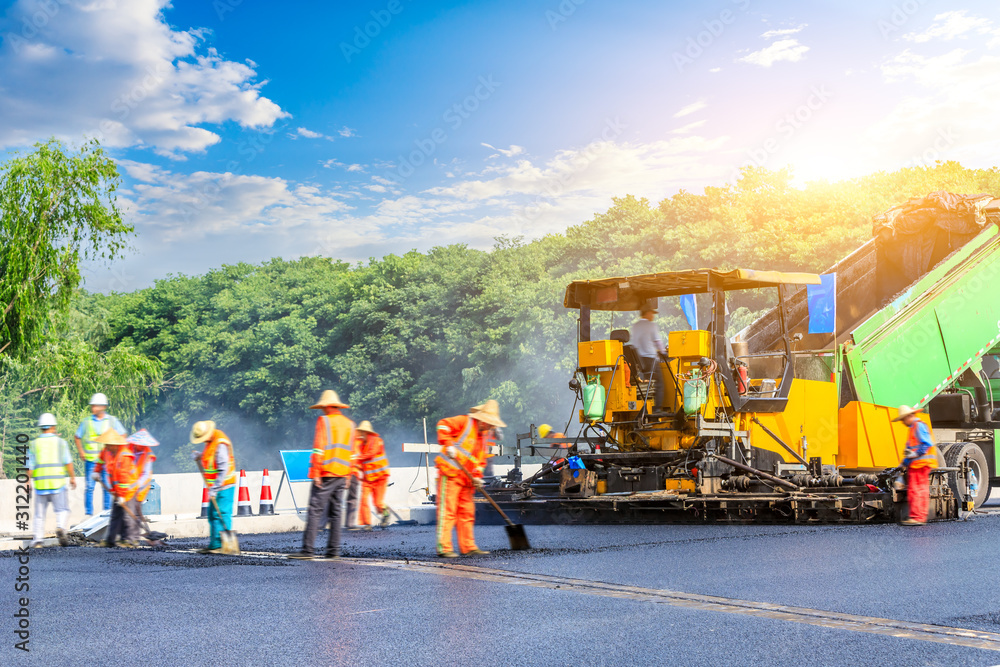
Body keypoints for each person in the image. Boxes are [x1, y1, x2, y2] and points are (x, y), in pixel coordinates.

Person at [435, 399, 505, 558]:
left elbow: (479, 461)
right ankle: (444, 547)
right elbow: (442, 425)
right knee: (448, 511)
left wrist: (477, 477)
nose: (489, 426)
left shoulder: (484, 437)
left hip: (467, 481)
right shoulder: (463, 422)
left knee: (467, 512)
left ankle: (468, 546)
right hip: (450, 473)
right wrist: (449, 444)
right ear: (481, 419)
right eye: (488, 422)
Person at [290, 390, 355, 560]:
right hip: (342, 474)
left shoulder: (324, 421)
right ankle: (333, 551)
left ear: (326, 406)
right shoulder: (350, 424)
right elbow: (353, 454)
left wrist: (316, 472)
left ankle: (307, 550)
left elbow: (319, 448)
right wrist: (349, 476)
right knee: (336, 513)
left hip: (326, 473)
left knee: (314, 510)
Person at [28, 413, 76, 548]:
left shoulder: (34, 444)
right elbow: (68, 462)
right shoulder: (61, 443)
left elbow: (30, 466)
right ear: (53, 427)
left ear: (41, 427)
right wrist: (72, 477)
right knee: (63, 510)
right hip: (57, 484)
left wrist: (27, 482)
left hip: (40, 485)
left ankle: (37, 540)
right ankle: (60, 527)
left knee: (39, 515)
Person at [74, 393, 125, 517]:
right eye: (92, 406)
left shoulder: (112, 421)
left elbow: (122, 435)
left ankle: (107, 513)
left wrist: (117, 451)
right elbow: (77, 436)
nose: (92, 408)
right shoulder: (87, 422)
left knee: (107, 487)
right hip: (91, 461)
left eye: (95, 406)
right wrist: (81, 451)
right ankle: (88, 514)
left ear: (103, 407)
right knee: (89, 488)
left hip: (107, 461)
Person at [190, 420, 237, 554]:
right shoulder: (211, 442)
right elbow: (211, 459)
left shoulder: (220, 443)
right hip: (217, 486)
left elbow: (223, 469)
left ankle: (222, 544)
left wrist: (215, 488)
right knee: (212, 514)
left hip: (225, 485)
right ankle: (215, 544)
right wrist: (200, 455)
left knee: (221, 514)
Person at [894, 404, 938, 526]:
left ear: (909, 416)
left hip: (920, 464)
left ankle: (918, 517)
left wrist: (914, 454)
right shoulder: (913, 428)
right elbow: (910, 450)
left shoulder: (918, 426)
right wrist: (903, 463)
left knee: (916, 490)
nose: (903, 422)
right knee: (918, 490)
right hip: (917, 464)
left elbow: (926, 444)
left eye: (903, 419)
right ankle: (919, 516)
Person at [99, 429, 140, 548]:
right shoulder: (107, 451)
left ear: (114, 444)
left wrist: (122, 495)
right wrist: (96, 472)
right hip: (117, 490)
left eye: (108, 444)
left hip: (128, 489)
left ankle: (131, 540)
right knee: (115, 515)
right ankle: (110, 540)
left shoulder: (125, 455)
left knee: (128, 515)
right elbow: (100, 461)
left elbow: (124, 478)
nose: (106, 446)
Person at [630, 304, 666, 412]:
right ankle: (657, 408)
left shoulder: (635, 326)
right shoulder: (651, 325)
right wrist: (664, 352)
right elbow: (657, 341)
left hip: (638, 360)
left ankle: (644, 407)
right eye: (652, 313)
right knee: (659, 383)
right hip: (650, 359)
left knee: (644, 383)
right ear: (647, 313)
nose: (653, 316)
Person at [356, 420, 391, 529]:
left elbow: (371, 454)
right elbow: (361, 463)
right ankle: (367, 524)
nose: (361, 434)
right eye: (360, 432)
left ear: (367, 432)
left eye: (362, 432)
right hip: (368, 479)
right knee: (363, 500)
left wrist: (357, 458)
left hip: (380, 477)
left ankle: (385, 512)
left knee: (378, 503)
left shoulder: (377, 441)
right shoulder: (361, 446)